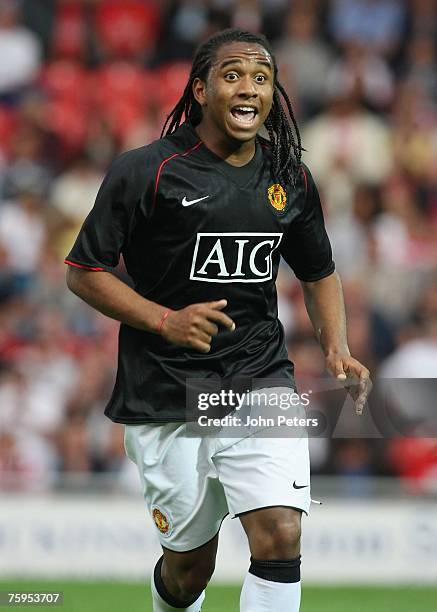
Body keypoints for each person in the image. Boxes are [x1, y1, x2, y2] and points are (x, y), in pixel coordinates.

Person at [65, 28, 371, 612]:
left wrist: (336, 345)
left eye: (261, 78)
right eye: (233, 76)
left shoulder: (290, 177)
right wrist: (165, 320)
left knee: (280, 533)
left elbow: (319, 271)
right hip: (167, 390)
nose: (249, 89)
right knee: (188, 569)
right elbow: (84, 271)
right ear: (201, 90)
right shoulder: (146, 171)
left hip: (260, 377)